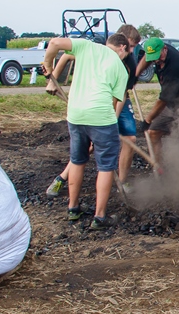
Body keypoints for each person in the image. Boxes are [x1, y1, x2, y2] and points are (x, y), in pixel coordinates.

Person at [41, 33, 129, 230]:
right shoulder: (121, 69)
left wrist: (48, 64)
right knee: (106, 166)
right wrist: (105, 128)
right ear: (122, 48)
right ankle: (99, 216)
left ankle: (73, 208)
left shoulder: (86, 46)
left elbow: (54, 43)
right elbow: (115, 102)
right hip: (102, 117)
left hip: (76, 115)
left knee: (78, 160)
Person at [46, 25, 145, 197]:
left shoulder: (129, 62)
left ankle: (122, 182)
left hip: (117, 100)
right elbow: (66, 56)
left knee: (130, 138)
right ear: (121, 40)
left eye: (134, 47)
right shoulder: (98, 47)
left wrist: (111, 120)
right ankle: (62, 178)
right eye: (130, 45)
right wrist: (53, 80)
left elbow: (121, 95)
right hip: (92, 99)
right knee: (89, 146)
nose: (131, 50)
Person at [135, 37, 179, 161]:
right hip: (172, 104)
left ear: (165, 49)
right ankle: (159, 169)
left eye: (158, 56)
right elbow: (147, 57)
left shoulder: (175, 66)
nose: (156, 60)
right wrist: (136, 75)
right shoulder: (157, 49)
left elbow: (163, 100)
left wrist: (147, 120)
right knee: (153, 132)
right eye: (153, 57)